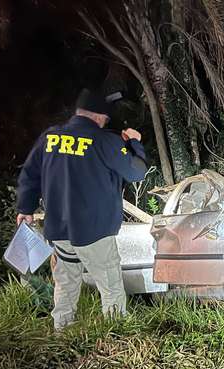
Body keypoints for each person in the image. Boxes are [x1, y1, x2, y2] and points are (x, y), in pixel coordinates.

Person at [16, 88, 148, 330]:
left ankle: (62, 332)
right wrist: (135, 144)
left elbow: (30, 175)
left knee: (65, 284)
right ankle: (115, 333)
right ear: (100, 116)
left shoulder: (50, 137)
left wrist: (25, 208)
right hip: (94, 231)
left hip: (59, 230)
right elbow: (136, 172)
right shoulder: (104, 141)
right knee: (110, 285)